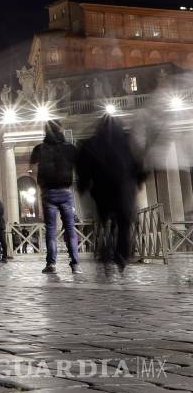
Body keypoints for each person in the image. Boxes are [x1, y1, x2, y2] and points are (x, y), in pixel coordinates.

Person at [77, 115, 142, 271]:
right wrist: (138, 182)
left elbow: (83, 167)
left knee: (103, 219)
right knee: (124, 223)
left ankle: (104, 245)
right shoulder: (128, 140)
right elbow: (138, 163)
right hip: (124, 189)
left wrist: (83, 186)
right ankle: (122, 256)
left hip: (101, 190)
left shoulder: (91, 142)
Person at [30, 121, 82, 274]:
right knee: (70, 228)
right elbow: (79, 165)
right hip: (65, 191)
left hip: (48, 192)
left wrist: (40, 183)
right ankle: (75, 264)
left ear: (46, 131)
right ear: (61, 130)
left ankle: (51, 264)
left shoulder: (39, 148)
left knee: (51, 230)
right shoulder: (69, 148)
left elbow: (32, 169)